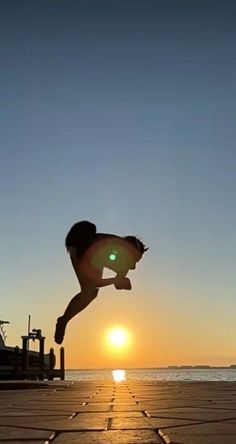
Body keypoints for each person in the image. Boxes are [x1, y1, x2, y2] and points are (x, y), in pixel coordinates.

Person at [54, 221, 148, 344]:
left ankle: (63, 320)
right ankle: (63, 321)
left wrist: (120, 282)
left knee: (90, 294)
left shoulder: (124, 262)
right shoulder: (107, 249)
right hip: (81, 250)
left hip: (84, 249)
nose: (134, 267)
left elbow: (117, 284)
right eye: (134, 260)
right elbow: (95, 284)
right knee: (89, 292)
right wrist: (117, 281)